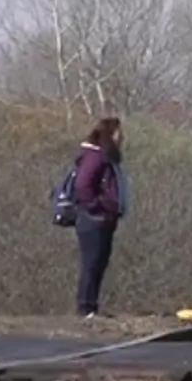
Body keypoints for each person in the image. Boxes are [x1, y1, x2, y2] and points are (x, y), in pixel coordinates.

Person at [74, 117, 126, 318]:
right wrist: (97, 207)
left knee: (99, 263)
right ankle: (85, 306)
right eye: (118, 133)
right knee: (92, 262)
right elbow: (83, 186)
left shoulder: (106, 158)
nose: (121, 137)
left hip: (105, 219)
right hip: (93, 219)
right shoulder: (95, 157)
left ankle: (91, 305)